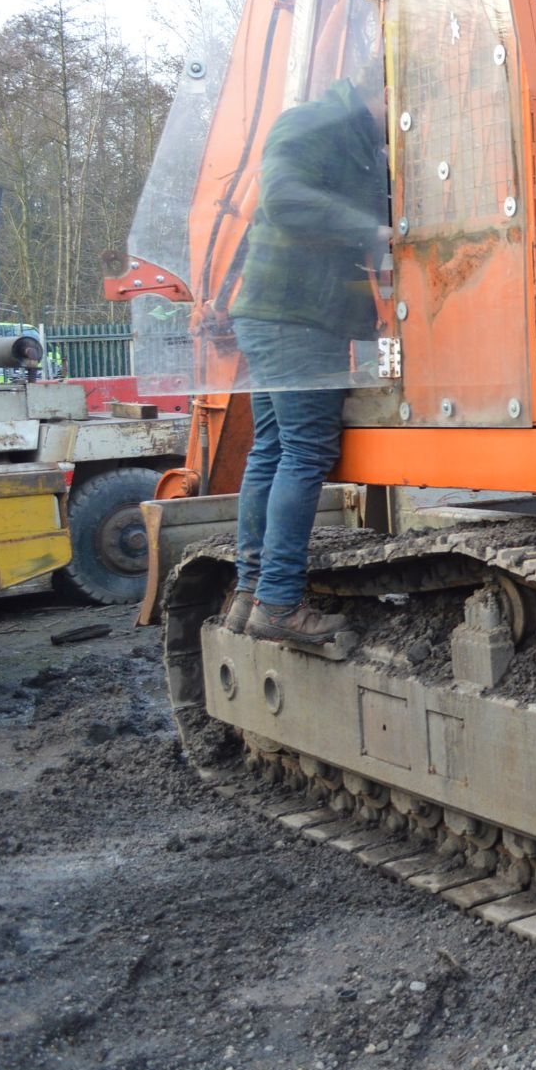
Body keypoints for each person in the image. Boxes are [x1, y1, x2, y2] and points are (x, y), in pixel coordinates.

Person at [221, 74, 389, 652]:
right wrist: (371, 230)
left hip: (286, 314)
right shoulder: (314, 122)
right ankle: (279, 605)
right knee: (304, 450)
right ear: (384, 91)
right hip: (295, 316)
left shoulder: (360, 144)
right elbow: (283, 198)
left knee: (272, 449)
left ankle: (252, 595)